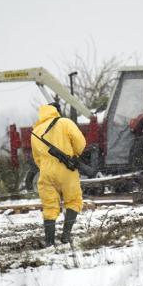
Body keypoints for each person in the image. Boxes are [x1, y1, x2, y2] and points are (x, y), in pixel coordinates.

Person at [31, 102, 86, 247]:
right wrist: (75, 155)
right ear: (57, 111)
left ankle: (49, 241)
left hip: (46, 173)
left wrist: (46, 167)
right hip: (67, 170)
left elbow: (37, 158)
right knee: (73, 201)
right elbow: (80, 143)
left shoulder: (35, 131)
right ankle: (66, 236)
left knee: (49, 206)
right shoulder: (64, 122)